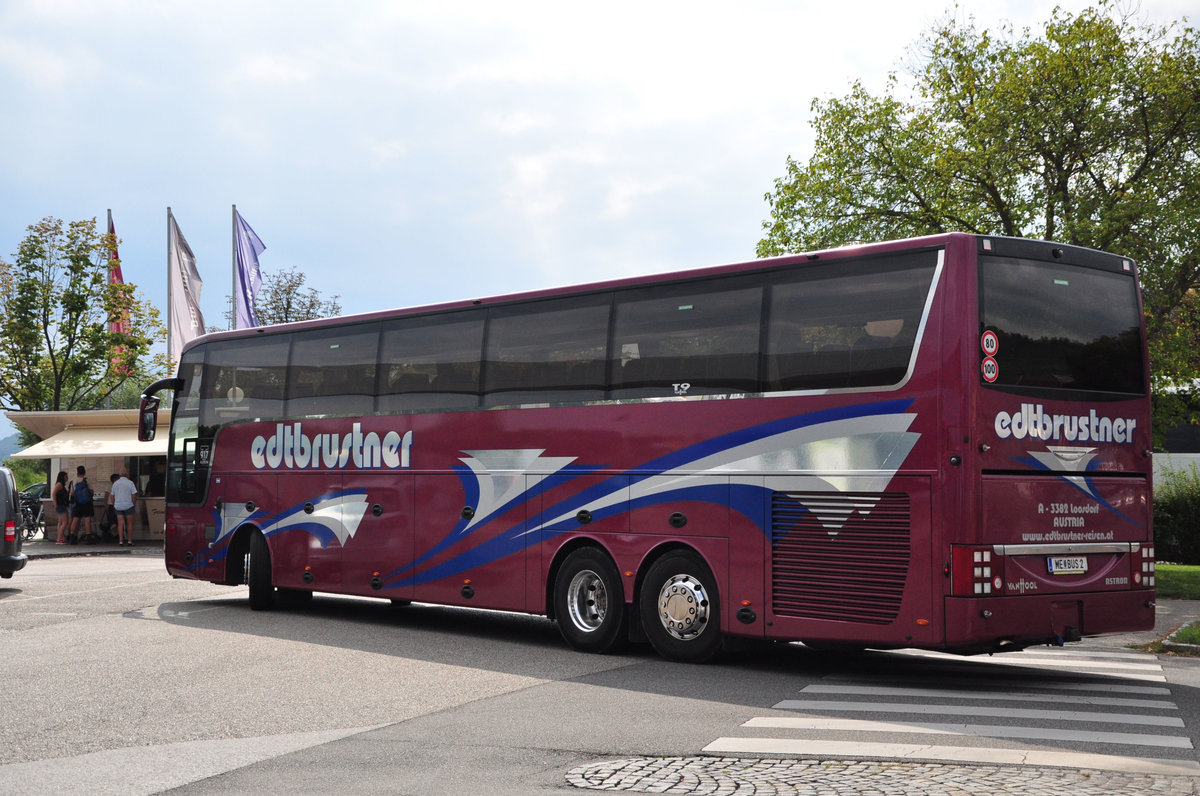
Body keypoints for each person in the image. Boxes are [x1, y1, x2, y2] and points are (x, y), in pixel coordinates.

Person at [109, 469, 138, 547]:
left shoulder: (115, 483)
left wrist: (114, 504)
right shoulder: (130, 483)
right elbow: (134, 495)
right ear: (127, 475)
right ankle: (129, 541)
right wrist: (133, 504)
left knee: (120, 524)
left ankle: (121, 541)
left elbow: (112, 496)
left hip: (118, 506)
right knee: (129, 524)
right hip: (129, 505)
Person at [67, 465, 95, 543]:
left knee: (75, 519)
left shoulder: (73, 481)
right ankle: (88, 538)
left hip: (78, 503)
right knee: (87, 519)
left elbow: (72, 494)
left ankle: (72, 537)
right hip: (87, 503)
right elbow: (92, 492)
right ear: (84, 472)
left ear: (77, 472)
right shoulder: (87, 481)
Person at [51, 471, 70, 544]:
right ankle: (59, 539)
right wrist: (55, 504)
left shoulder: (61, 484)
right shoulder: (59, 484)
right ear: (62, 477)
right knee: (65, 522)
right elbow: (54, 494)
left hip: (61, 505)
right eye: (66, 476)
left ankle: (59, 538)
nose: (67, 478)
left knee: (61, 522)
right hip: (60, 505)